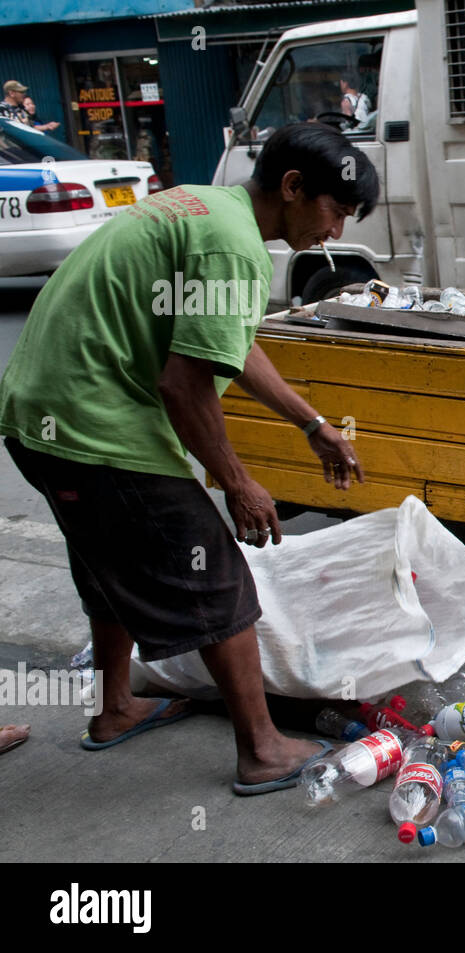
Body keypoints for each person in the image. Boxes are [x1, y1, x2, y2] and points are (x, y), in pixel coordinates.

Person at [0, 123, 380, 795]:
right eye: (336, 209)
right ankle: (263, 749)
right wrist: (237, 482)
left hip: (38, 414)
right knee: (216, 573)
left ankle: (116, 707)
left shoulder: (207, 209)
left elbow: (229, 341)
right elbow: (184, 383)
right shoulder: (233, 243)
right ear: (293, 188)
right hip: (92, 421)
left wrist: (311, 423)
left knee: (104, 558)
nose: (337, 228)